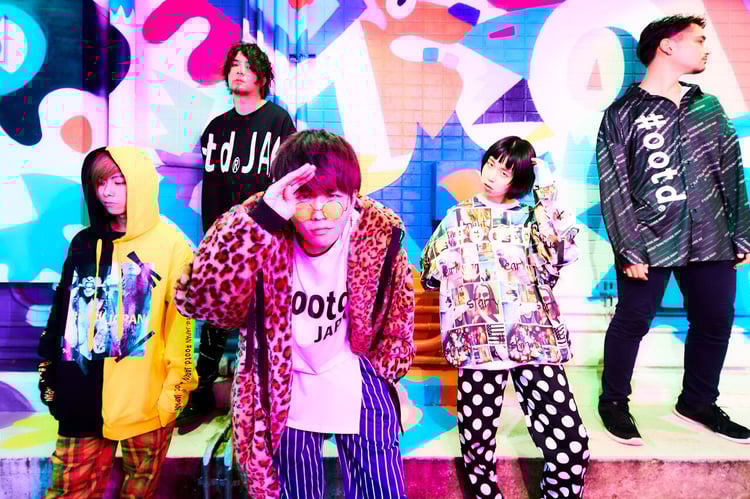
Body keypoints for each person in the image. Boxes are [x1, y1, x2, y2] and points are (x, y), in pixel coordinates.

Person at [173, 129, 415, 498]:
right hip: (283, 378)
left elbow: (398, 310)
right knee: (297, 487)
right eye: (304, 198)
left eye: (332, 199)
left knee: (382, 485)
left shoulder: (378, 235)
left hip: (356, 366)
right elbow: (203, 301)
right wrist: (262, 222)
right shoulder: (263, 229)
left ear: (353, 198)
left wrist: (387, 371)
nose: (318, 214)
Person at [596, 14, 750, 446]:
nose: (706, 48)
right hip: (649, 238)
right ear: (667, 45)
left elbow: (731, 171)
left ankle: (697, 404)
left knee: (715, 320)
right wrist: (628, 248)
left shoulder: (708, 106)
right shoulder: (622, 114)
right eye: (698, 40)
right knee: (632, 321)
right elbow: (614, 185)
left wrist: (742, 232)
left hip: (712, 235)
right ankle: (614, 402)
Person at [422, 136, 589, 498]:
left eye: (505, 172)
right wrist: (449, 266)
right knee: (477, 445)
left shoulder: (532, 219)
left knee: (572, 443)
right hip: (478, 344)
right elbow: (429, 275)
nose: (492, 176)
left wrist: (547, 193)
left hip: (534, 339)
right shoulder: (457, 217)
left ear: (521, 179)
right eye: (491, 164)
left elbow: (561, 253)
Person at [37, 147, 198, 497]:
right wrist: (50, 372)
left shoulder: (171, 246)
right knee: (68, 490)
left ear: (140, 182)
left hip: (146, 401)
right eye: (100, 183)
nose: (106, 192)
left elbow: (182, 327)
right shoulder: (83, 242)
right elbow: (62, 312)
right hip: (82, 398)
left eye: (118, 182)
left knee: (139, 492)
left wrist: (176, 391)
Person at [179, 41, 297, 426]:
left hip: (266, 240)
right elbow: (211, 188)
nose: (239, 70)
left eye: (247, 65)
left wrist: (274, 233)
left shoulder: (278, 122)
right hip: (224, 241)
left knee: (267, 320)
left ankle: (269, 398)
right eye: (233, 64)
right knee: (214, 320)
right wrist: (212, 238)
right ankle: (201, 395)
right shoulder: (216, 129)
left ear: (262, 76)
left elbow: (287, 185)